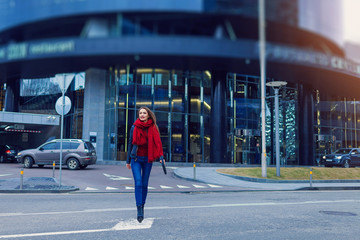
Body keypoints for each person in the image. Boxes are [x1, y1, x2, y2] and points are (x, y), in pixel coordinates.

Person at [126, 106, 165, 223]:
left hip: (148, 159)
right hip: (136, 159)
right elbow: (130, 144)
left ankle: (143, 204)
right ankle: (139, 208)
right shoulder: (134, 127)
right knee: (138, 182)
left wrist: (161, 157)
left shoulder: (153, 127)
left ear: (148, 115)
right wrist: (128, 160)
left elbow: (158, 143)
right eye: (140, 113)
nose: (142, 115)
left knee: (144, 183)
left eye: (144, 113)